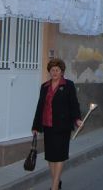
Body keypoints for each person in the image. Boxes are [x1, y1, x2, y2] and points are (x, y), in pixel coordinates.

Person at [32, 58, 82, 190]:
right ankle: (57, 181)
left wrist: (77, 119)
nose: (54, 72)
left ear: (62, 72)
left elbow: (74, 104)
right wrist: (36, 126)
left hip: (63, 126)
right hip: (48, 125)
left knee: (59, 155)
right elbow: (40, 106)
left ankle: (54, 186)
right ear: (49, 71)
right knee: (50, 156)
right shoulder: (44, 87)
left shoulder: (68, 85)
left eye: (57, 70)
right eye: (52, 70)